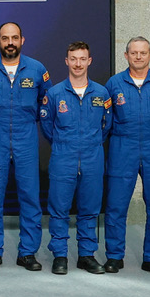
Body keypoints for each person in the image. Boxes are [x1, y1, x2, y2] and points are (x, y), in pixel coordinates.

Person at [0, 22, 52, 271]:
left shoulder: (37, 69)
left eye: (14, 37)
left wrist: (34, 125)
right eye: (5, 38)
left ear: (22, 40)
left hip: (26, 135)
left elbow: (47, 103)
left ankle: (28, 252)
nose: (10, 42)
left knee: (30, 197)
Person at [103, 37, 150, 276]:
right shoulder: (113, 84)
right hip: (121, 147)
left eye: (143, 53)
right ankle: (115, 256)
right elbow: (106, 118)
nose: (138, 57)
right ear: (125, 56)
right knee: (116, 205)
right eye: (133, 53)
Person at [40, 42, 111, 275]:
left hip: (93, 157)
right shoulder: (54, 94)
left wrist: (88, 144)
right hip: (63, 157)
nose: (78, 64)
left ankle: (86, 255)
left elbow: (106, 126)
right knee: (59, 208)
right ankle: (60, 255)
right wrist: (64, 145)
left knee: (89, 209)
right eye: (73, 58)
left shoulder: (101, 93)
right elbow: (47, 126)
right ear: (66, 61)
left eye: (82, 59)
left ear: (89, 61)